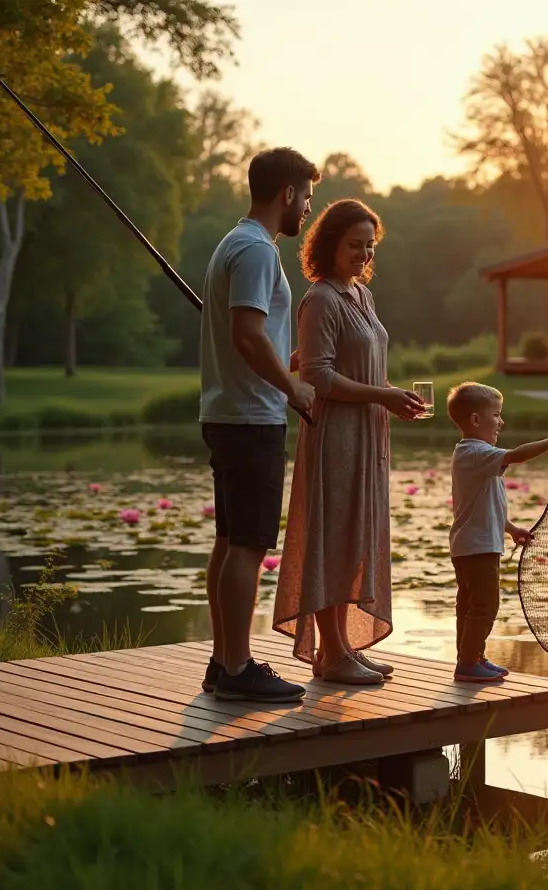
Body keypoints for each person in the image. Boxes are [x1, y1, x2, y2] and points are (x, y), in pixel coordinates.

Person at [274, 199, 426, 684]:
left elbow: (356, 362)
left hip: (368, 434)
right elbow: (317, 375)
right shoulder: (320, 298)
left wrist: (387, 399)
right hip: (335, 434)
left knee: (355, 537)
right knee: (334, 538)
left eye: (369, 245)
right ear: (330, 245)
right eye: (354, 245)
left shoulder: (362, 296)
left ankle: (342, 649)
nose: (362, 254)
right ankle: (331, 654)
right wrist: (383, 394)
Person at [199, 147, 320, 703]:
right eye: (307, 198)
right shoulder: (255, 250)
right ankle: (239, 667)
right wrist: (290, 387)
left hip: (231, 412)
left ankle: (224, 662)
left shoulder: (237, 243)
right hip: (251, 418)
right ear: (287, 194)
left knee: (229, 539)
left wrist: (286, 363)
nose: (308, 210)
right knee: (247, 543)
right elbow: (247, 334)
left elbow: (256, 338)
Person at [446, 382, 548, 683]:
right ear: (475, 420)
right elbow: (518, 455)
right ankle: (468, 662)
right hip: (478, 547)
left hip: (471, 544)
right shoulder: (476, 452)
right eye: (496, 415)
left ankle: (470, 657)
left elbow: (482, 505)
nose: (501, 422)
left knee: (470, 605)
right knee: (485, 605)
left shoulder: (471, 454)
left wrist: (510, 529)